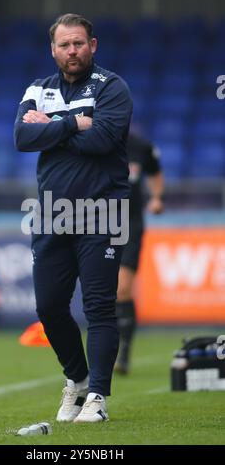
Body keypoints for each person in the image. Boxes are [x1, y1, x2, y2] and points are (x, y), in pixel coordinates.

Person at [14, 14, 132, 423]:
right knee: (48, 307)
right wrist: (73, 123)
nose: (72, 51)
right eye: (64, 45)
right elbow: (22, 137)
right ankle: (78, 381)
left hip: (104, 211)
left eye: (79, 43)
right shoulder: (38, 88)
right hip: (52, 215)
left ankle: (97, 397)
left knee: (99, 308)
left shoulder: (112, 87)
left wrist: (52, 128)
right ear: (53, 50)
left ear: (92, 45)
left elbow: (103, 139)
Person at [114, 131, 165, 374]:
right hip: (98, 221)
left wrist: (156, 197)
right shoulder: (94, 138)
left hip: (131, 224)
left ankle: (123, 352)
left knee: (122, 288)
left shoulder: (141, 146)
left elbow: (155, 173)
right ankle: (105, 349)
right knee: (103, 291)